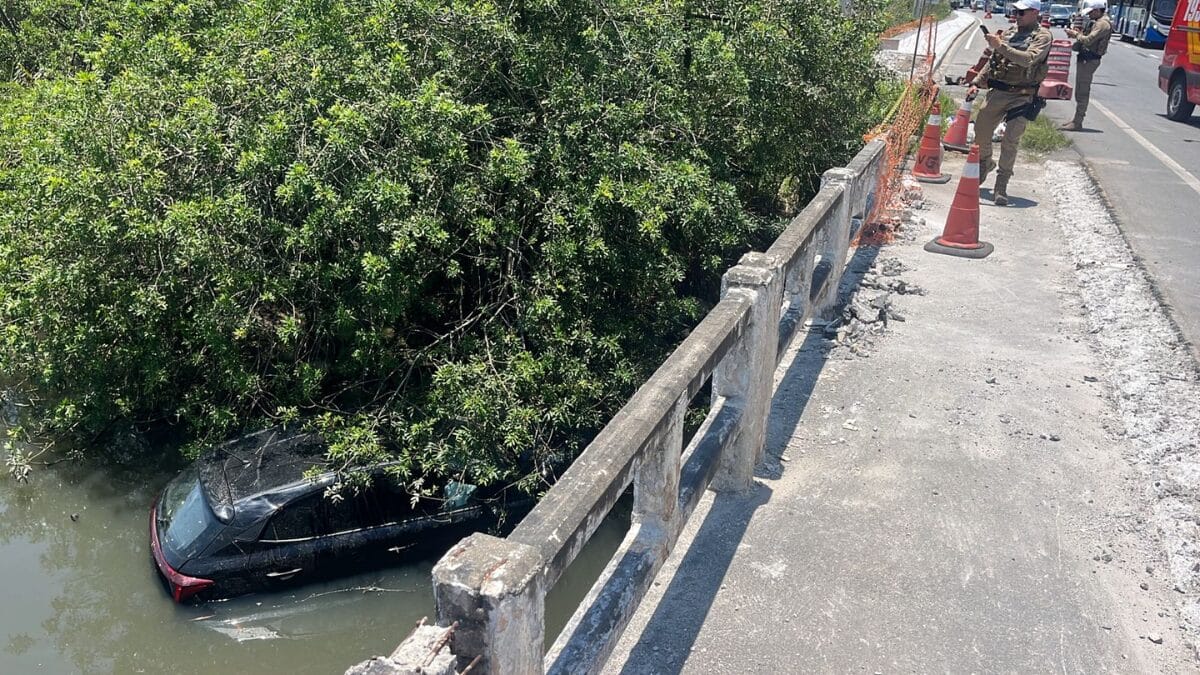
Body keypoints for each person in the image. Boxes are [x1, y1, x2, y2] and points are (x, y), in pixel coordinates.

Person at [968, 0, 1052, 206]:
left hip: (1022, 95)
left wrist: (1000, 45)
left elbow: (1028, 59)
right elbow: (993, 60)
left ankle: (1001, 185)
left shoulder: (1042, 36)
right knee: (981, 132)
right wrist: (976, 82)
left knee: (1010, 141)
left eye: (1022, 12)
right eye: (1016, 11)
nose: (1017, 15)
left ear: (1035, 12)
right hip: (998, 91)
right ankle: (985, 162)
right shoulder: (1009, 33)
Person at [1061, 0, 1113, 130]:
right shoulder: (1097, 22)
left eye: (1091, 12)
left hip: (1089, 60)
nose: (1089, 15)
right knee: (1080, 89)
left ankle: (1078, 122)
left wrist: (1076, 34)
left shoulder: (1102, 24)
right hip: (1085, 58)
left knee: (1082, 91)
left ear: (1097, 11)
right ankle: (1076, 119)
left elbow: (1088, 40)